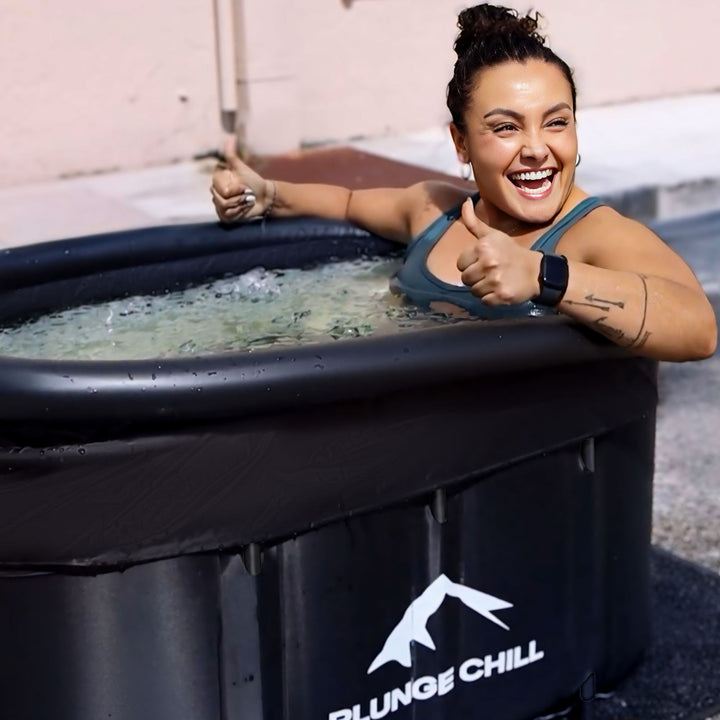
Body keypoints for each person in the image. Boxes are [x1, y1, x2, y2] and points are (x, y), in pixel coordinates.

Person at [211, 3, 717, 363]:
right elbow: (346, 203)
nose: (538, 147)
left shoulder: (593, 234)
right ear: (461, 143)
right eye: (505, 127)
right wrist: (269, 196)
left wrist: (544, 275)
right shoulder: (433, 210)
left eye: (556, 121)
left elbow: (698, 328)